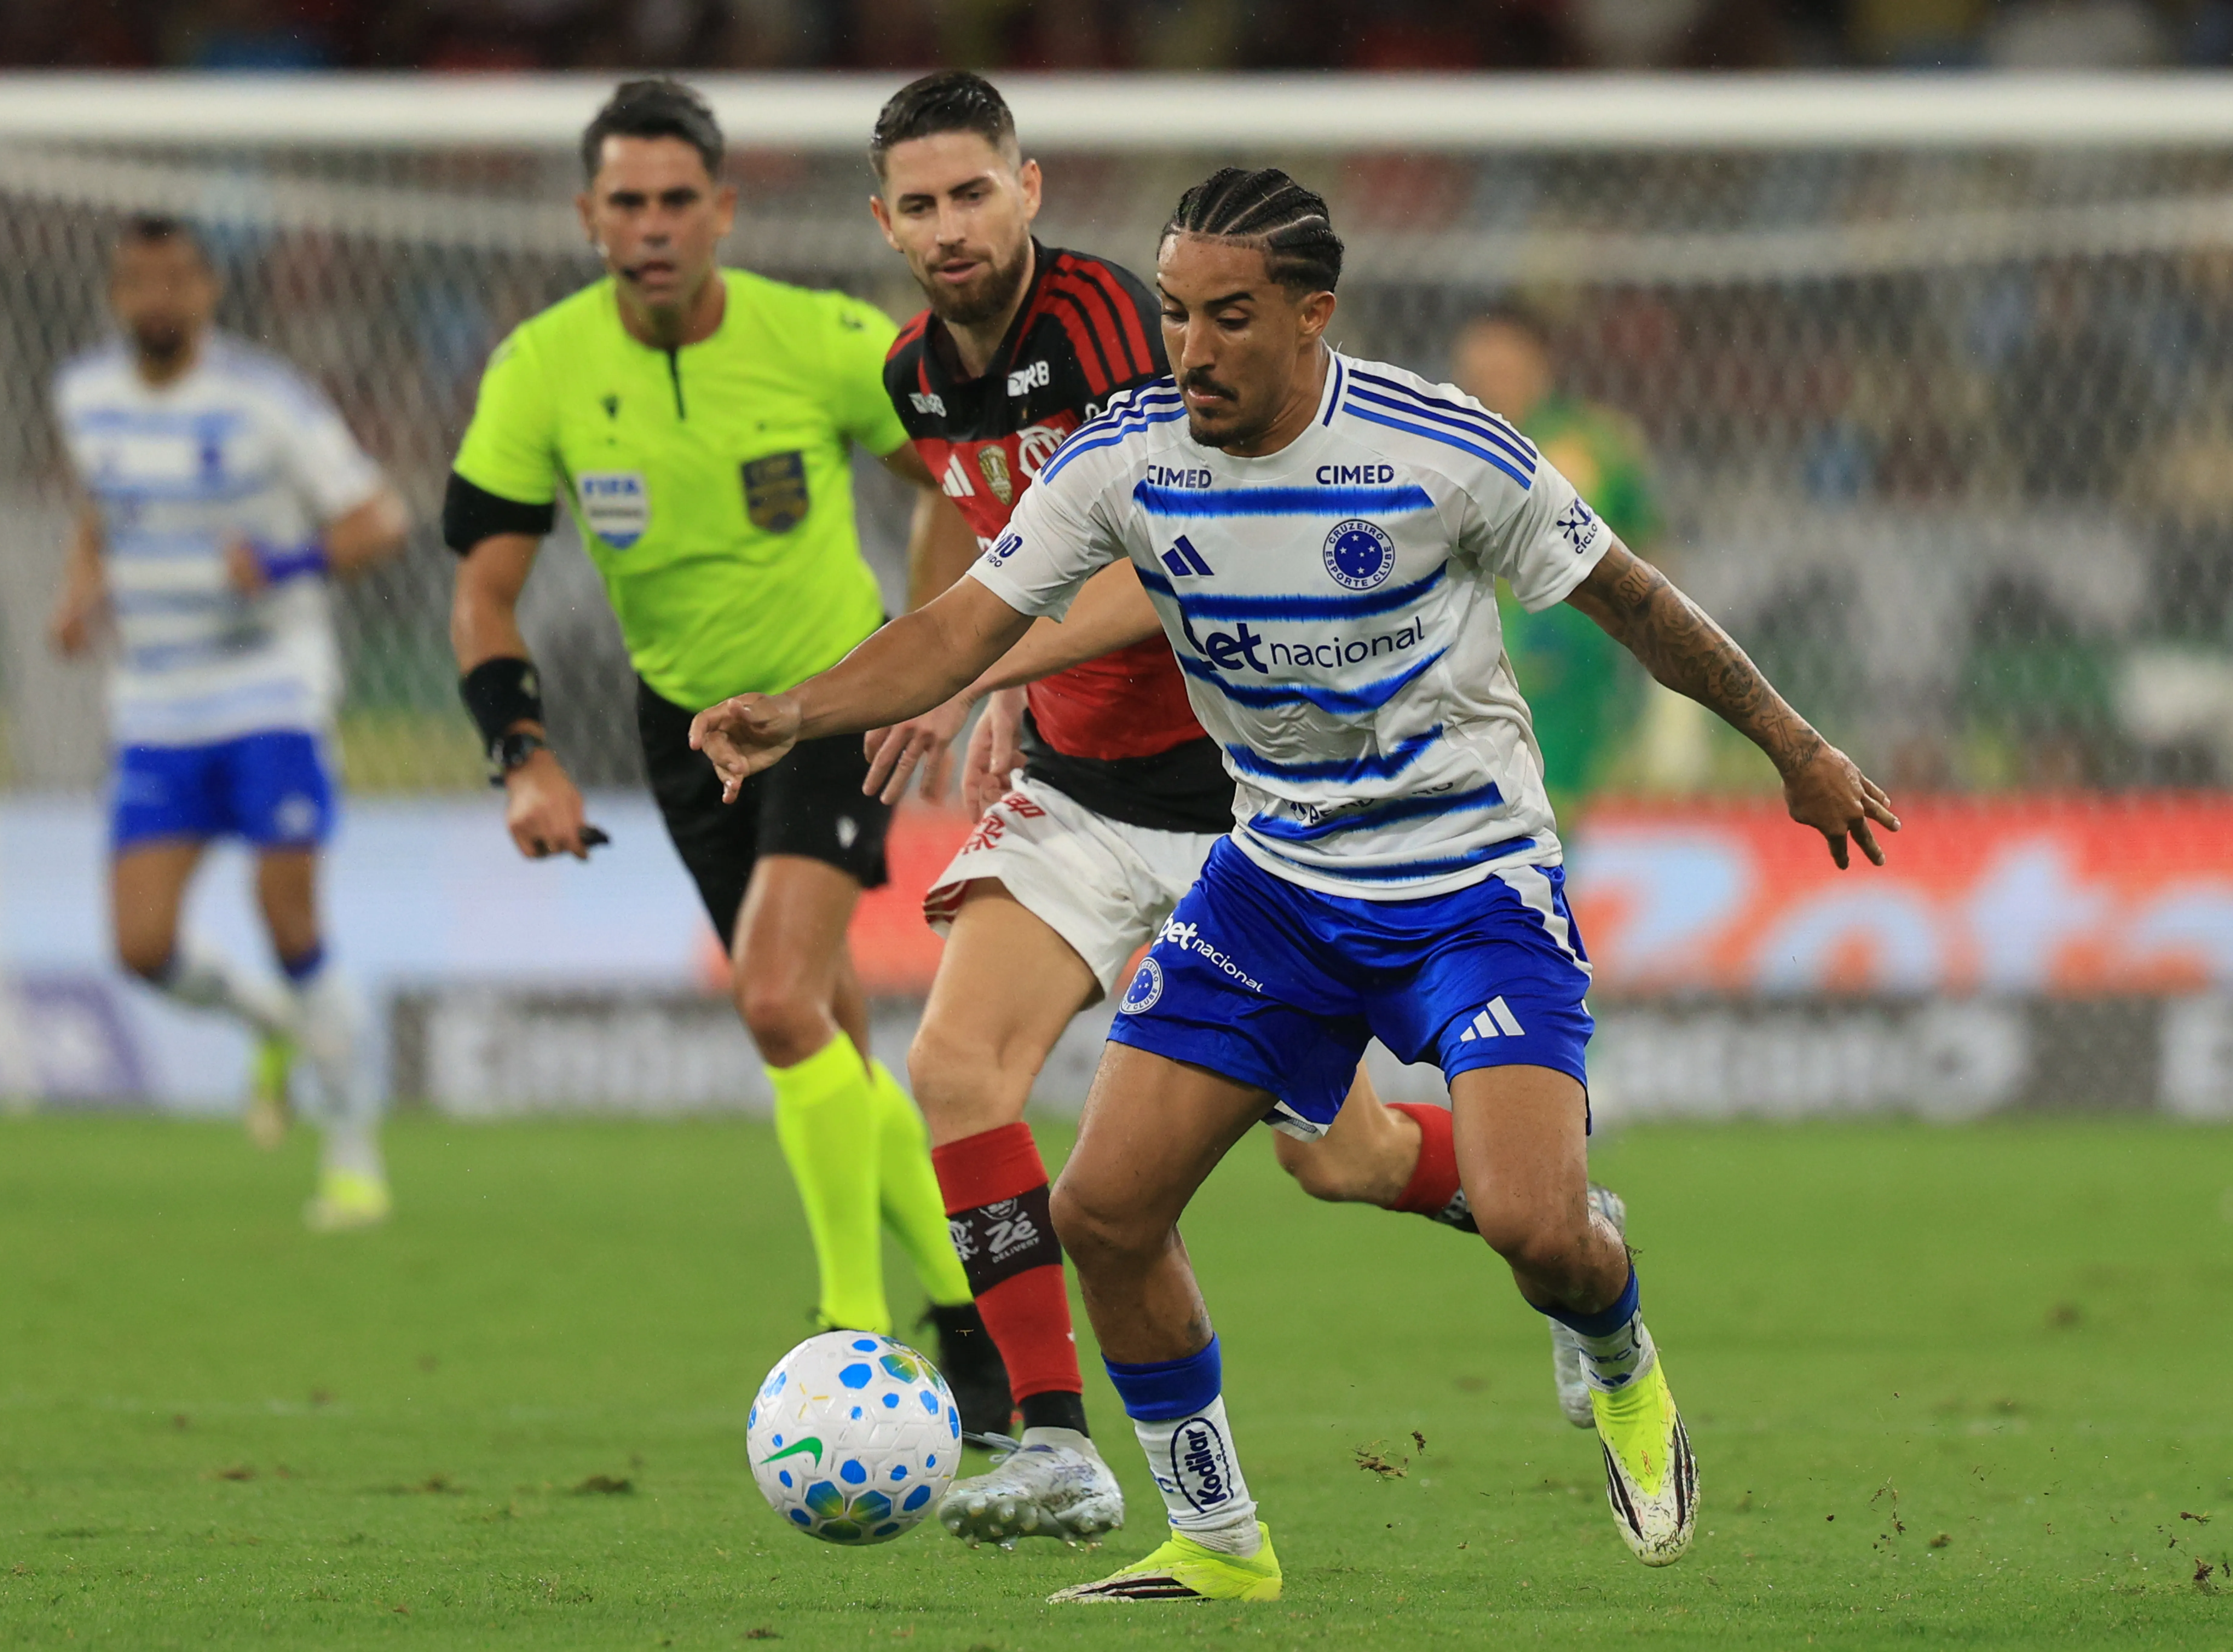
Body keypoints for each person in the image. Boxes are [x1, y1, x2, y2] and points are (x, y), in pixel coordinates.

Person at [693, 166, 1899, 1601]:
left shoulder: (1443, 449)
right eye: (1172, 315)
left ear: (1313, 317)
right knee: (1103, 1211)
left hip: (1471, 886)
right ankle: (1218, 1539)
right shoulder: (1125, 458)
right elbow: (959, 625)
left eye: (1227, 318)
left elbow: (1633, 598)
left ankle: (1616, 1341)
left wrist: (1795, 744)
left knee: (1532, 1227)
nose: (1189, 349)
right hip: (1273, 883)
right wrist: (797, 709)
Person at [859, 71, 1615, 1550]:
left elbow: (1166, 560)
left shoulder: (1117, 338)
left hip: (1241, 815)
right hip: (1078, 788)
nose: (951, 229)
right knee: (956, 1069)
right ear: (881, 221)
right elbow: (962, 508)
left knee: (1341, 1159)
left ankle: (1573, 1230)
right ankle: (1055, 1443)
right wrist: (942, 648)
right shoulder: (915, 373)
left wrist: (991, 657)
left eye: (973, 193)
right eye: (921, 203)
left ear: (1029, 187)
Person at [438, 79, 1007, 1422]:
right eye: (624, 202)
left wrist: (920, 661)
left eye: (676, 200)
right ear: (588, 216)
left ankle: (850, 1336)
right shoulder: (541, 368)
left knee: (768, 998)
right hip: (679, 725)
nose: (651, 226)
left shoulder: (822, 340)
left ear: (722, 212)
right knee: (823, 1037)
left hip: (823, 704)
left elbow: (959, 479)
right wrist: (521, 753)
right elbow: (482, 591)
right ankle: (974, 1328)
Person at [49, 214, 410, 1231]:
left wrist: (287, 564)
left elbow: (380, 517)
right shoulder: (84, 397)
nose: (156, 298)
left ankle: (352, 1157)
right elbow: (96, 516)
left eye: (175, 280)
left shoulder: (266, 399)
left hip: (269, 690)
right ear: (117, 294)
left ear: (208, 292)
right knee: (141, 944)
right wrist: (78, 596)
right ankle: (274, 1026)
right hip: (154, 704)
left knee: (290, 915)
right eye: (137, 280)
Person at [1450, 304, 1693, 804]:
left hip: (1570, 672)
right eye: (1480, 373)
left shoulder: (1597, 445)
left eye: (1505, 370)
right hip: (1459, 667)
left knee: (1550, 811)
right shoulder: (1438, 447)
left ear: (1541, 367)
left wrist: (1668, 681)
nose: (1492, 385)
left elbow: (1649, 551)